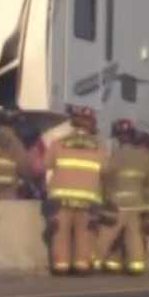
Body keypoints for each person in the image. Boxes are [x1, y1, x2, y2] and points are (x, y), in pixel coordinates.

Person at [44, 105, 107, 275]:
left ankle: (61, 266)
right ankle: (81, 265)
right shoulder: (100, 148)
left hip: (60, 198)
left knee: (60, 232)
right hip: (88, 200)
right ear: (92, 124)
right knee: (84, 233)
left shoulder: (58, 144)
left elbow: (45, 164)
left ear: (73, 123)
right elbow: (106, 171)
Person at [95, 122, 149, 274]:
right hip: (137, 205)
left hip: (117, 205)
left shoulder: (115, 156)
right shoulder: (143, 156)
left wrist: (104, 198)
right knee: (134, 236)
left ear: (117, 138)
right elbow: (148, 183)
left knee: (106, 235)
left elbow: (103, 175)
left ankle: (94, 262)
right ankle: (136, 265)